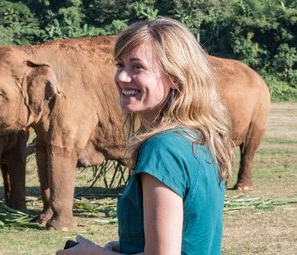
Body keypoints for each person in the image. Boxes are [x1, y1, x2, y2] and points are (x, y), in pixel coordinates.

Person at [56, 17, 233, 255]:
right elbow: (186, 239)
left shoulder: (163, 148)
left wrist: (93, 254)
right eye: (120, 64)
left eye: (137, 67)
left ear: (175, 78)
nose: (121, 77)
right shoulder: (198, 138)